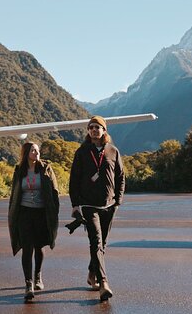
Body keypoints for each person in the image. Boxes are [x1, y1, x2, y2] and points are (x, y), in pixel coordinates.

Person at [69, 115, 124, 302]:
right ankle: (104, 283)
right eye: (91, 127)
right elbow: (74, 180)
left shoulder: (113, 151)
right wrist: (75, 205)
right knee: (96, 242)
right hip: (88, 205)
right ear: (88, 131)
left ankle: (92, 272)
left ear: (104, 130)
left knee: (103, 244)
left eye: (97, 127)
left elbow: (121, 177)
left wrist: (118, 200)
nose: (93, 130)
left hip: (109, 205)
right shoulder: (82, 152)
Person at [8, 142, 60, 301]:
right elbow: (14, 194)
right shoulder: (19, 171)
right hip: (24, 213)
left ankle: (38, 276)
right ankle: (28, 284)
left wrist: (53, 212)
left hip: (41, 213)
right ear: (26, 153)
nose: (36, 153)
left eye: (37, 150)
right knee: (27, 247)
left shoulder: (46, 169)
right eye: (33, 150)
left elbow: (55, 192)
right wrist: (13, 214)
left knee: (39, 245)